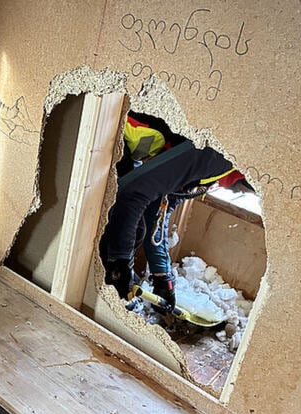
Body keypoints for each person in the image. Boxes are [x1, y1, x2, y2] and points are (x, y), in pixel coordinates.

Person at [99, 113, 249, 312]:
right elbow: (132, 194)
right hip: (110, 123)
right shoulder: (217, 157)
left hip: (124, 144)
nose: (244, 194)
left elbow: (157, 217)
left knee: (137, 229)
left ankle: (110, 288)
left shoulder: (210, 177)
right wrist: (120, 263)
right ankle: (101, 293)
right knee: (122, 228)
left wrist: (164, 279)